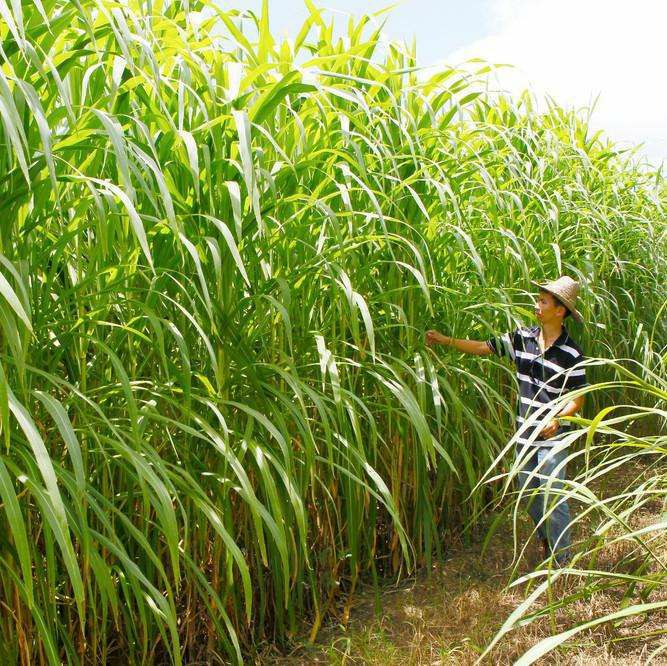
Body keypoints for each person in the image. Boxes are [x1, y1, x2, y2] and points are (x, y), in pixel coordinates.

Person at [425, 276, 588, 565]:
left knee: (554, 496)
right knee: (532, 495)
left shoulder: (571, 353)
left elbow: (578, 398)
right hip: (524, 431)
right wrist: (446, 341)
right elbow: (482, 347)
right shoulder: (521, 338)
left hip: (554, 434)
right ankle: (546, 539)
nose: (537, 305)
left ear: (559, 311)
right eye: (538, 299)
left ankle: (563, 563)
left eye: (543, 302)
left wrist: (557, 418)